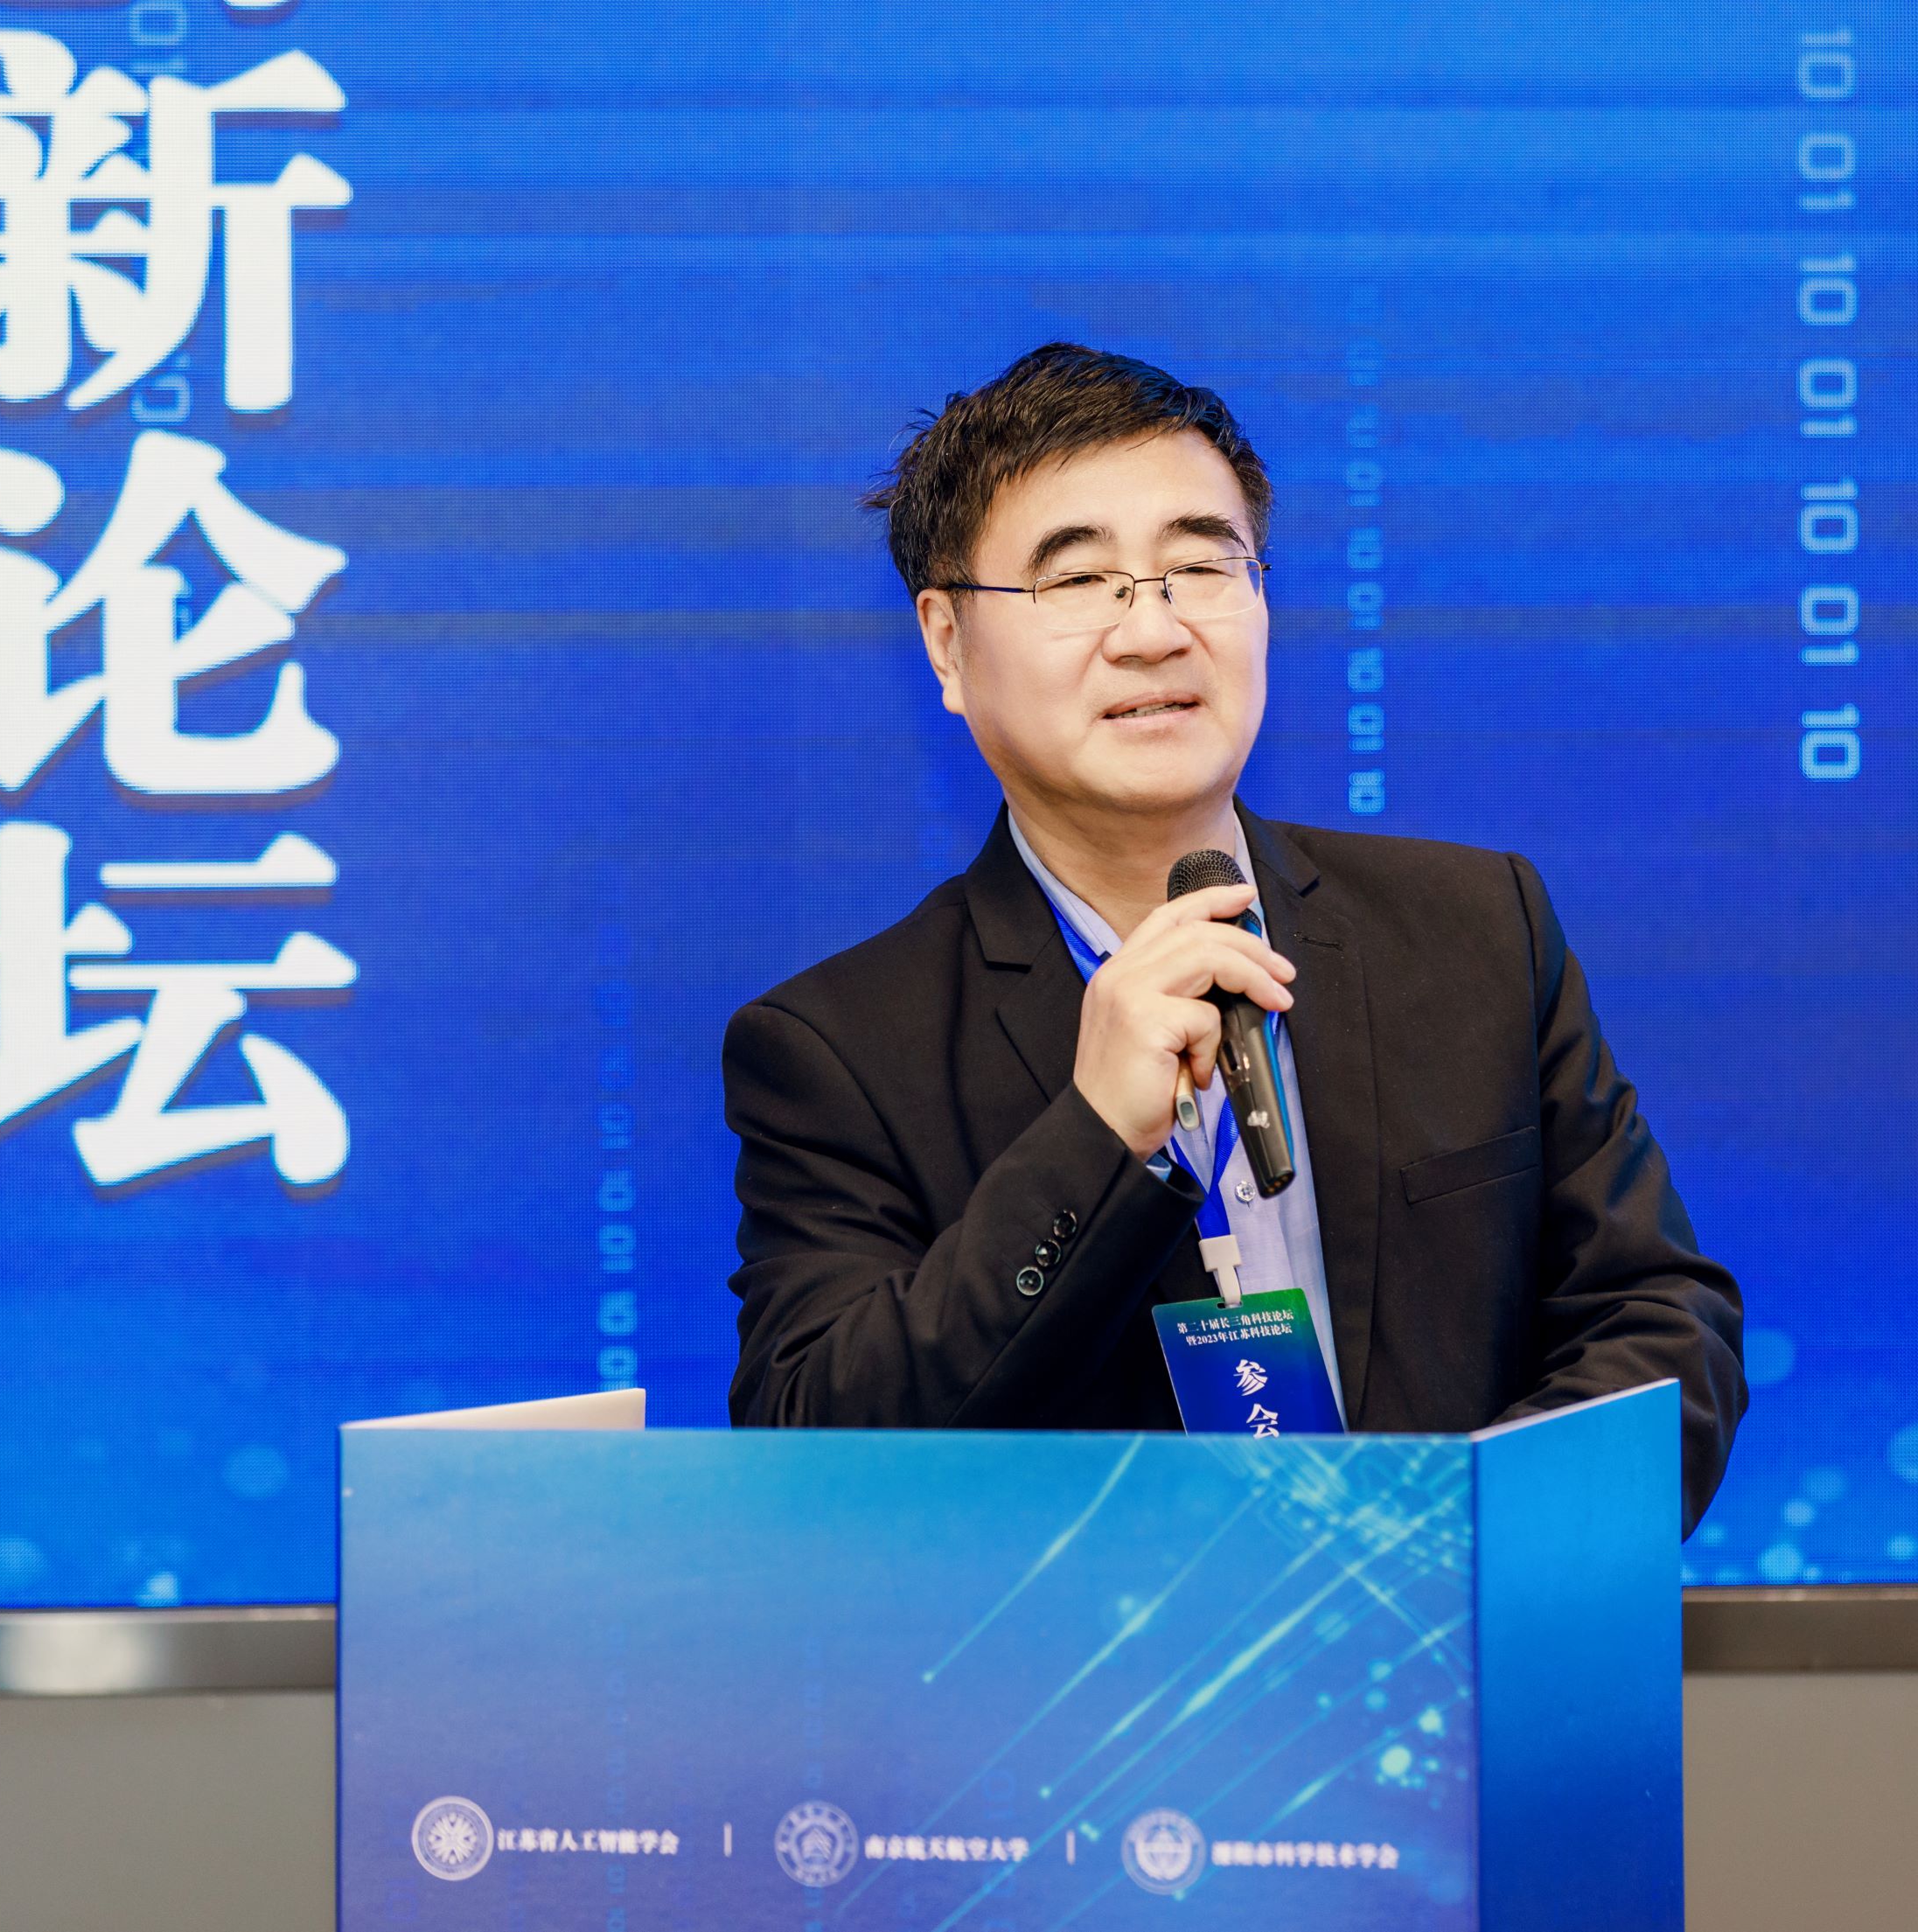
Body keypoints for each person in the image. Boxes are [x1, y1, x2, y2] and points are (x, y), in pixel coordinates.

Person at [722, 343, 1747, 1530]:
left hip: (1452, 1631)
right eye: (1079, 579)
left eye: (1200, 565)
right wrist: (1094, 1140)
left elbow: (1659, 1322)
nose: (1152, 630)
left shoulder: (1475, 930)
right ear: (948, 644)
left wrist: (1456, 1557)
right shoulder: (837, 1051)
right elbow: (821, 1459)